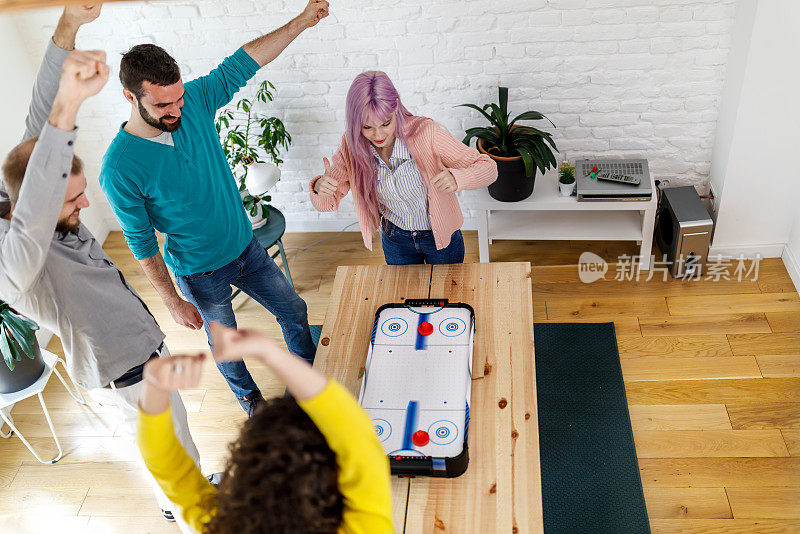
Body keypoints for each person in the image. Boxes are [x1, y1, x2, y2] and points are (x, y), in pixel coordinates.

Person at [0, 6, 200, 528]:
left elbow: (38, 125)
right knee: (173, 454)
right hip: (125, 370)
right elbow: (28, 236)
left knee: (174, 444)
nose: (84, 208)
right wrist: (73, 103)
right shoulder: (14, 255)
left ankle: (177, 499)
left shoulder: (11, 193)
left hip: (141, 349)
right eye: (71, 202)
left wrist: (68, 26)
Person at [99, 0, 329, 416]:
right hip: (200, 273)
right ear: (130, 98)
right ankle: (250, 401)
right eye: (163, 106)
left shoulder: (196, 102)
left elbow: (244, 61)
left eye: (179, 99)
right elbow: (142, 243)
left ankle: (306, 371)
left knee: (294, 309)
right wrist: (172, 301)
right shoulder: (119, 168)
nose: (176, 111)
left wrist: (301, 21)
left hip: (246, 248)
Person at [138, 322, 394, 533]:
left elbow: (167, 466)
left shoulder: (218, 525)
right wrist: (269, 352)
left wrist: (155, 384)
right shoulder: (364, 526)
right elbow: (354, 432)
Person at [309, 71, 498, 265]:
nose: (378, 134)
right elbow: (326, 205)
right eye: (367, 127)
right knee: (404, 295)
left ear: (396, 107)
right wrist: (320, 188)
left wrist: (458, 178)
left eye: (385, 123)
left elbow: (489, 168)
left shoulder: (427, 133)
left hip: (440, 238)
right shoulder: (351, 146)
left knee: (447, 293)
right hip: (396, 240)